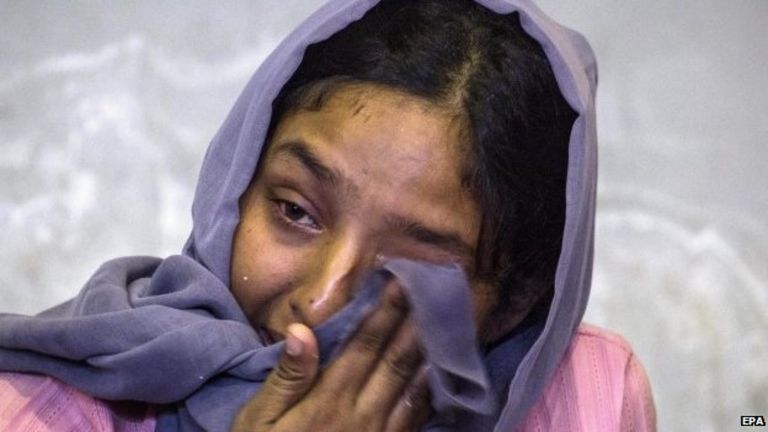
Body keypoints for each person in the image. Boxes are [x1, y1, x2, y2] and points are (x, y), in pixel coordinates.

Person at [0, 0, 656, 431]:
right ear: (237, 182)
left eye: (411, 269)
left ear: (514, 304)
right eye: (295, 212)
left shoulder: (593, 400)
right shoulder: (44, 409)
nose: (318, 302)